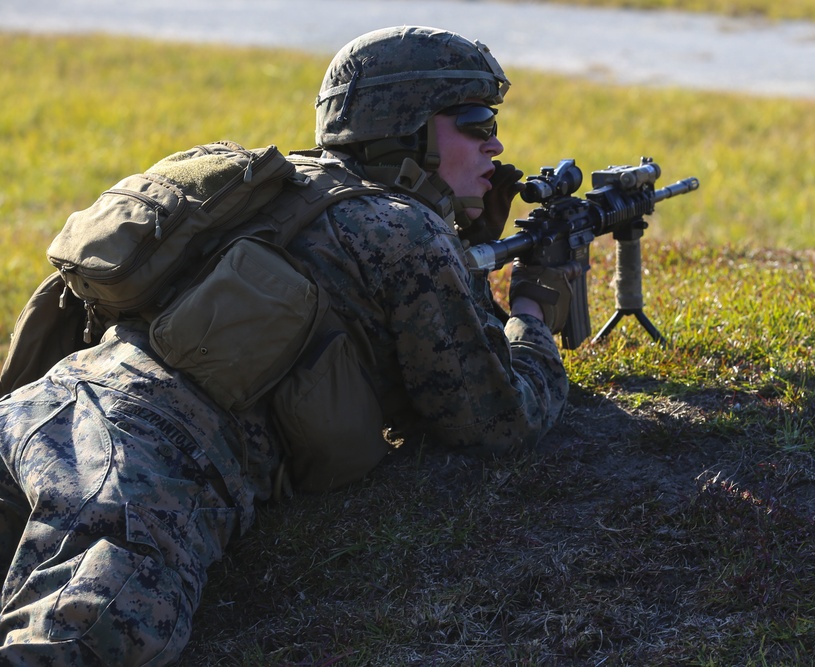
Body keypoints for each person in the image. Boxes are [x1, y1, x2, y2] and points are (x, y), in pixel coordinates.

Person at [0, 25, 572, 665]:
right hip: (144, 462)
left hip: (43, 403)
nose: (495, 143)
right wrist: (531, 310)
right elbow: (498, 422)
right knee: (81, 646)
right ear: (407, 127)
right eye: (475, 121)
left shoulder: (285, 185)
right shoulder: (404, 230)